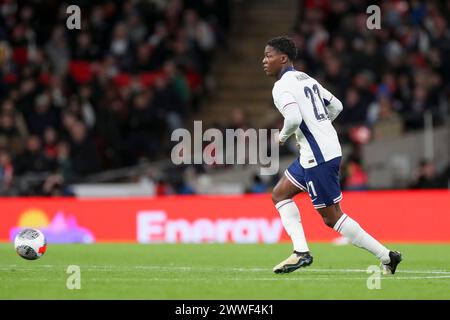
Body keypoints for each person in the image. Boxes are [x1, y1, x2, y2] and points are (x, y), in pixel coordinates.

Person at [262, 36, 402, 274]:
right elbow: (336, 105)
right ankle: (300, 252)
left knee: (332, 217)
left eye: (268, 56)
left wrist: (282, 137)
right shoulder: (306, 78)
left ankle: (387, 256)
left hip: (318, 156)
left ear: (283, 58)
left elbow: (293, 119)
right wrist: (321, 126)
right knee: (280, 194)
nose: (264, 61)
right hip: (318, 150)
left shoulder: (281, 86)